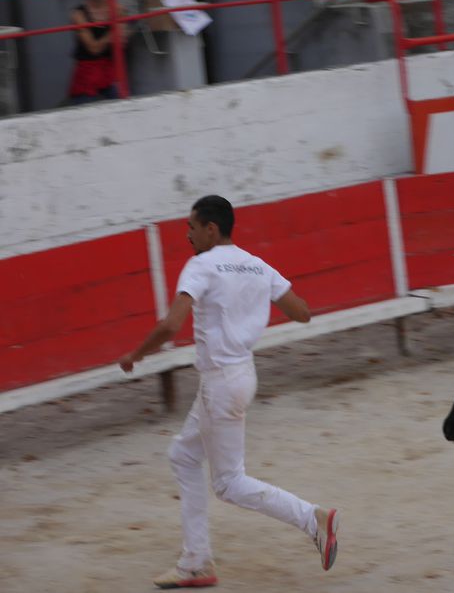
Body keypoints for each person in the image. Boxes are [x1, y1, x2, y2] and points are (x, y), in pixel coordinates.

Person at [118, 195, 340, 589]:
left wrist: (135, 354)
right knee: (183, 454)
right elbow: (302, 312)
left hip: (220, 383)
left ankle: (313, 518)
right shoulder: (256, 264)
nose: (187, 235)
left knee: (228, 483)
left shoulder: (201, 265)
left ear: (211, 229)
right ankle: (195, 562)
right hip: (242, 374)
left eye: (191, 227)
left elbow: (171, 325)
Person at [67, 0, 127, 105]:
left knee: (124, 106)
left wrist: (120, 31)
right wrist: (112, 33)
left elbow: (122, 42)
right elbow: (93, 48)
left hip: (109, 75)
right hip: (86, 78)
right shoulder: (78, 14)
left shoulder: (117, 9)